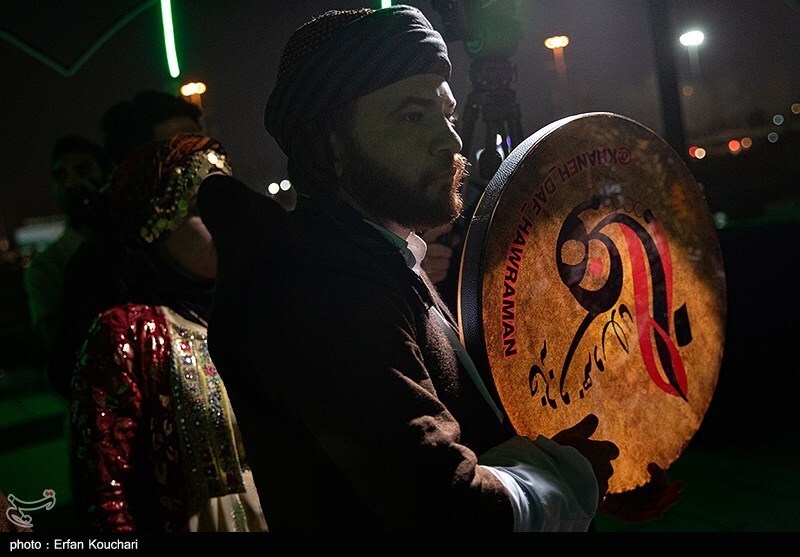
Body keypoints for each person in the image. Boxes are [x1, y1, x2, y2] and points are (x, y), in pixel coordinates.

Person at [199, 6, 622, 532]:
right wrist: (571, 479)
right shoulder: (319, 287)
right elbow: (445, 504)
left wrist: (577, 480)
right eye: (412, 116)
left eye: (447, 115)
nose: (450, 141)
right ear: (330, 145)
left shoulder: (381, 260)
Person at [69, 134, 267, 532]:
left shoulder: (261, 311)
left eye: (226, 204)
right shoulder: (126, 333)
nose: (223, 222)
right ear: (155, 225)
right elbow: (107, 497)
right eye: (198, 208)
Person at [49, 91, 207, 398]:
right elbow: (72, 374)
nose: (200, 164)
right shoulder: (99, 266)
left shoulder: (232, 236)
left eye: (201, 145)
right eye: (178, 152)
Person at [24, 136, 113, 356]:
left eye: (82, 171)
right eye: (61, 176)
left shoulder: (134, 241)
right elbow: (56, 344)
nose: (71, 184)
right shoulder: (45, 268)